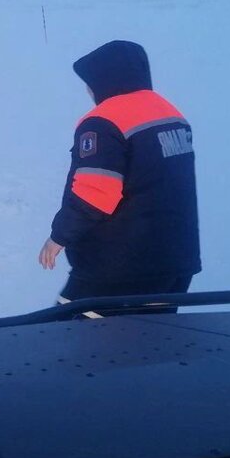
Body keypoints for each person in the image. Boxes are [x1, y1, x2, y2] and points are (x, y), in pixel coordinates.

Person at [39, 40, 201, 315]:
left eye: (90, 82)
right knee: (151, 336)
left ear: (106, 78)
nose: (88, 90)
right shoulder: (171, 115)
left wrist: (58, 237)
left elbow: (96, 193)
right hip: (176, 262)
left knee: (68, 328)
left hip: (118, 266)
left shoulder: (104, 122)